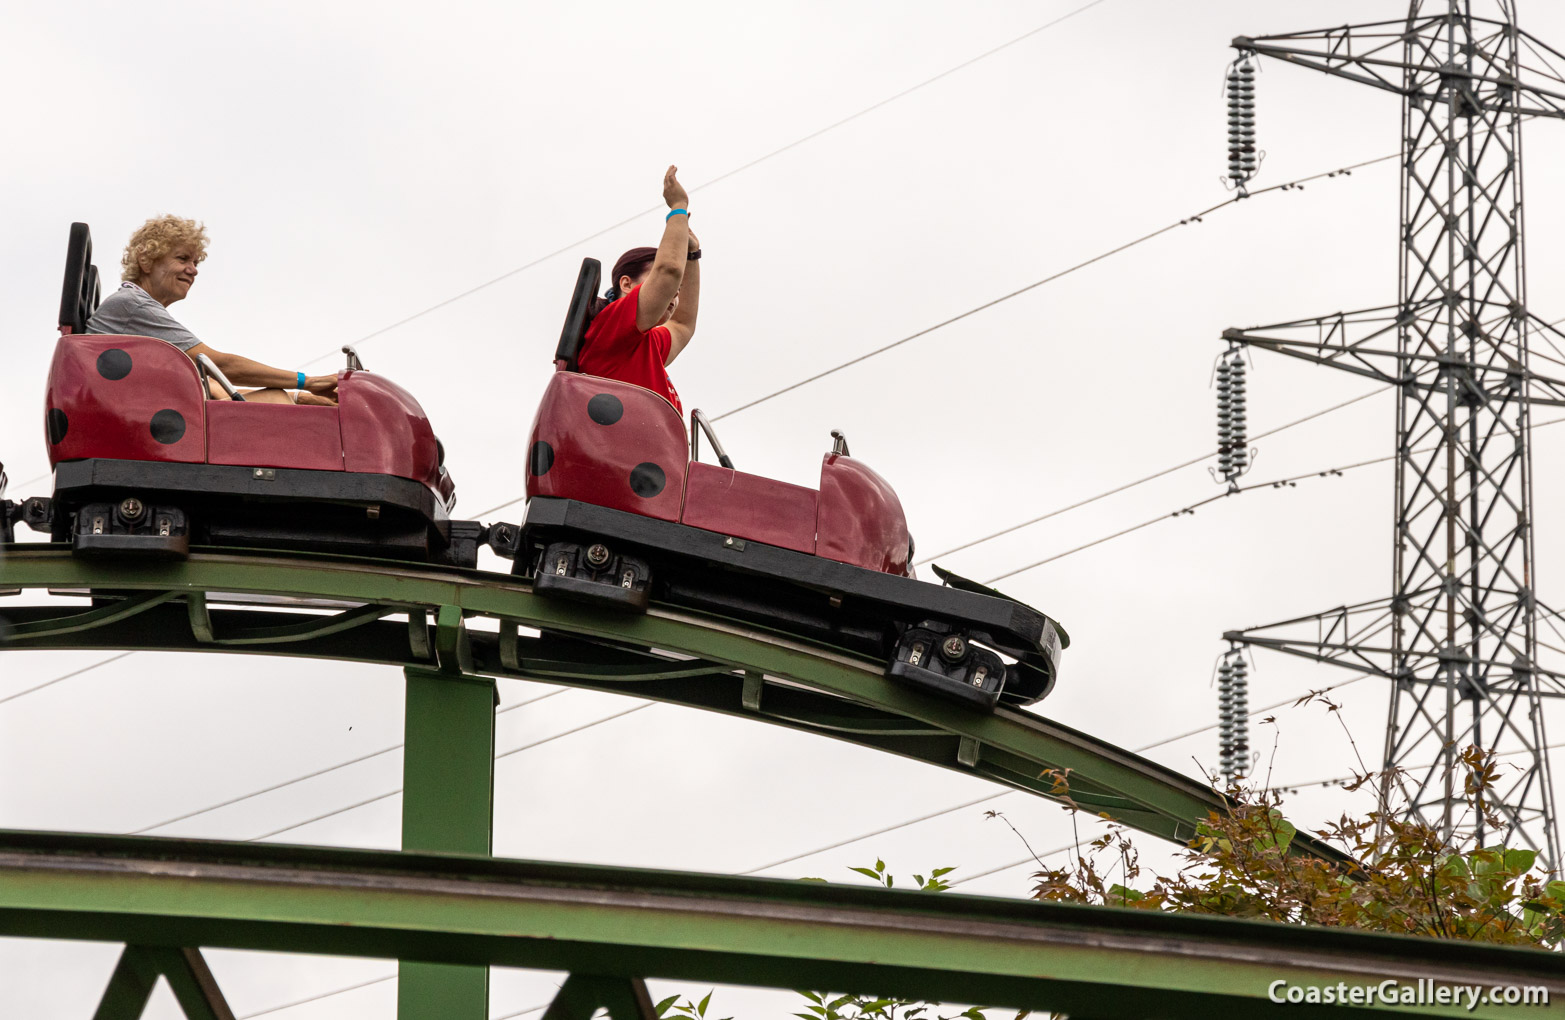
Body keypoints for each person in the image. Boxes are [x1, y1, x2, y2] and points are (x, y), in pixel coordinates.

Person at [87, 215, 338, 405]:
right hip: (133, 415)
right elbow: (219, 365)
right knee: (277, 403)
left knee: (278, 398)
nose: (194, 270)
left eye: (195, 263)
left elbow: (212, 386)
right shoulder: (134, 305)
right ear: (146, 261)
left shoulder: (138, 309)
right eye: (183, 259)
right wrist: (309, 382)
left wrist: (299, 397)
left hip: (144, 408)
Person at [578, 166, 701, 415]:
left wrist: (692, 255)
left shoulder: (649, 344)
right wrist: (678, 207)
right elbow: (668, 271)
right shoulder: (611, 325)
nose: (674, 296)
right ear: (626, 284)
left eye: (676, 292)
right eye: (653, 277)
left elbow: (683, 324)